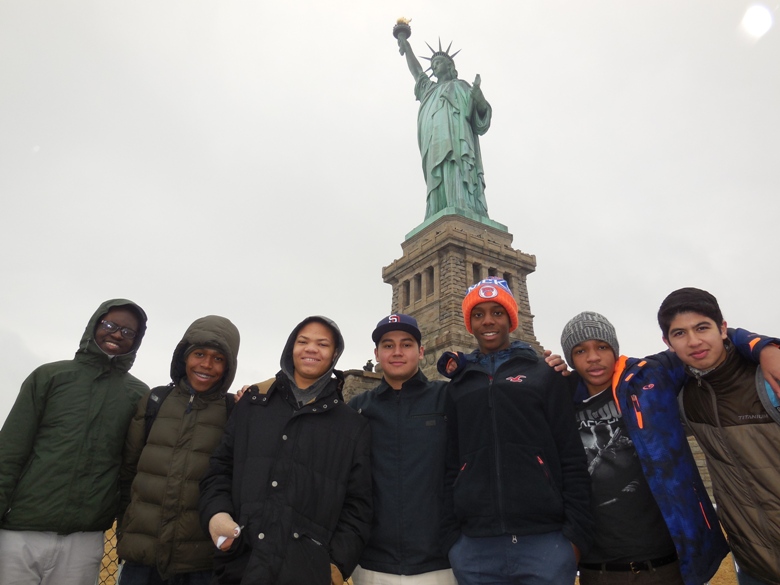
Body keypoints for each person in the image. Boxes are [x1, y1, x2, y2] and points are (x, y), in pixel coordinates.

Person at [437, 278, 592, 585]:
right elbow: (449, 465)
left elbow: (571, 457)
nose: (488, 321)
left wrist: (573, 539)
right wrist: (452, 540)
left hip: (545, 542)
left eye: (497, 312)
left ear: (511, 318)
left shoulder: (544, 374)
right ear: (470, 323)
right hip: (475, 546)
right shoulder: (458, 385)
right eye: (478, 315)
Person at [559, 311, 732, 585]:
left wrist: (764, 346)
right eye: (580, 350)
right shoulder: (560, 395)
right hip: (597, 566)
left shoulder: (651, 375)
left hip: (667, 560)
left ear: (615, 349)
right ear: (570, 358)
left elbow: (716, 341)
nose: (593, 357)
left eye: (602, 347)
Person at [199, 316, 372, 585]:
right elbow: (220, 469)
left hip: (305, 573)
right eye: (303, 341)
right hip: (238, 566)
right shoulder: (252, 405)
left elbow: (358, 507)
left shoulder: (353, 426)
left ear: (335, 354)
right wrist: (216, 515)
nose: (311, 349)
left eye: (322, 344)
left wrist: (336, 565)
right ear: (291, 347)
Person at [0, 299, 149, 585]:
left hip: (84, 541)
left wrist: (124, 537)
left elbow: (130, 471)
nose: (117, 334)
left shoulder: (138, 395)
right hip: (20, 533)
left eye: (128, 332)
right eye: (110, 325)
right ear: (94, 325)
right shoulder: (50, 377)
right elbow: (9, 453)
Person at [658, 288, 780, 585]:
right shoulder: (685, 397)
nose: (694, 341)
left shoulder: (769, 378)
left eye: (702, 328)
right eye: (680, 333)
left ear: (723, 328)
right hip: (755, 565)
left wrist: (763, 346)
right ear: (668, 343)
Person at [117, 315, 241, 585]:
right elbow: (129, 473)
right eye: (199, 354)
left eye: (218, 358)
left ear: (229, 366)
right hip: (142, 560)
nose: (206, 365)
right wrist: (126, 534)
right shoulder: (155, 401)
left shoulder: (236, 412)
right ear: (183, 357)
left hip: (201, 564)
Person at [348, 314, 456, 585]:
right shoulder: (356, 410)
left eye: (406, 344)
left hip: (439, 563)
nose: (397, 352)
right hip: (371, 565)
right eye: (388, 345)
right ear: (376, 353)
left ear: (420, 352)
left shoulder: (447, 399)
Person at [397, 34, 491, 220]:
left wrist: (479, 99)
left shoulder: (461, 86)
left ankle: (462, 206)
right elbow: (417, 72)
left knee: (456, 168)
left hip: (457, 140)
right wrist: (406, 47)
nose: (434, 66)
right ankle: (438, 210)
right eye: (432, 64)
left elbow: (480, 119)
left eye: (438, 62)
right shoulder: (428, 90)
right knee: (437, 176)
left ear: (450, 66)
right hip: (434, 142)